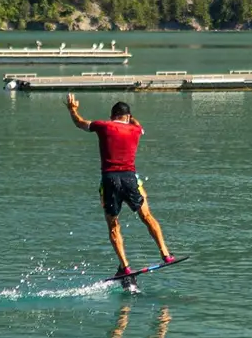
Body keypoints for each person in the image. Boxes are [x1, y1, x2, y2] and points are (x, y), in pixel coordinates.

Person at [67, 94, 175, 278]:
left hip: (109, 180)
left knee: (113, 225)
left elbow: (80, 123)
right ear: (127, 117)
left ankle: (124, 266)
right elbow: (137, 124)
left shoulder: (103, 126)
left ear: (112, 116)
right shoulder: (136, 130)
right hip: (129, 178)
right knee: (146, 215)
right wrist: (131, 117)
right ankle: (165, 254)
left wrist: (72, 109)